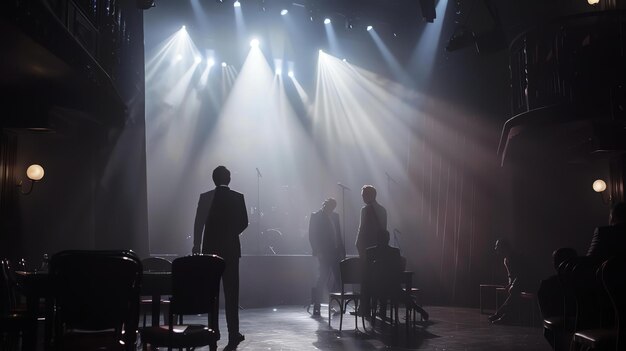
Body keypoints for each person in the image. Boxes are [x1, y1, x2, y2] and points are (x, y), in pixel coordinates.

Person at [193, 165, 248, 349]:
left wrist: (197, 245)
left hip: (210, 251)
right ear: (229, 179)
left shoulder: (206, 197)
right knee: (232, 294)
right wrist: (231, 234)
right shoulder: (238, 197)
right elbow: (244, 222)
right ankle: (234, 333)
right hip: (232, 251)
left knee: (212, 295)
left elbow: (198, 223)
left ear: (213, 179)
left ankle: (213, 333)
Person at [308, 198, 345, 316]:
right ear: (325, 205)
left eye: (333, 208)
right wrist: (317, 250)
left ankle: (338, 305)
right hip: (324, 252)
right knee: (322, 278)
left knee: (338, 279)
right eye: (329, 207)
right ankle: (317, 306)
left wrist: (342, 250)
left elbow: (338, 234)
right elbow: (312, 235)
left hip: (335, 252)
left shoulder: (335, 216)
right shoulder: (316, 216)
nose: (331, 210)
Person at [488, 238, 529, 324]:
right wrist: (510, 284)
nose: (495, 248)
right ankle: (504, 315)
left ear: (504, 247)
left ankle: (502, 315)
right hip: (518, 283)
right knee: (513, 292)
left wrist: (513, 284)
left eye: (497, 246)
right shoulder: (505, 260)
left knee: (514, 292)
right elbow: (510, 275)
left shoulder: (516, 257)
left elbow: (522, 274)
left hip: (527, 282)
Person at [355, 185, 387, 258]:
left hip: (367, 246)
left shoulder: (365, 210)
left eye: (363, 195)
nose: (362, 198)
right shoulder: (383, 210)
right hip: (380, 246)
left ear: (368, 195)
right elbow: (384, 230)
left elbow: (361, 229)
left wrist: (358, 243)